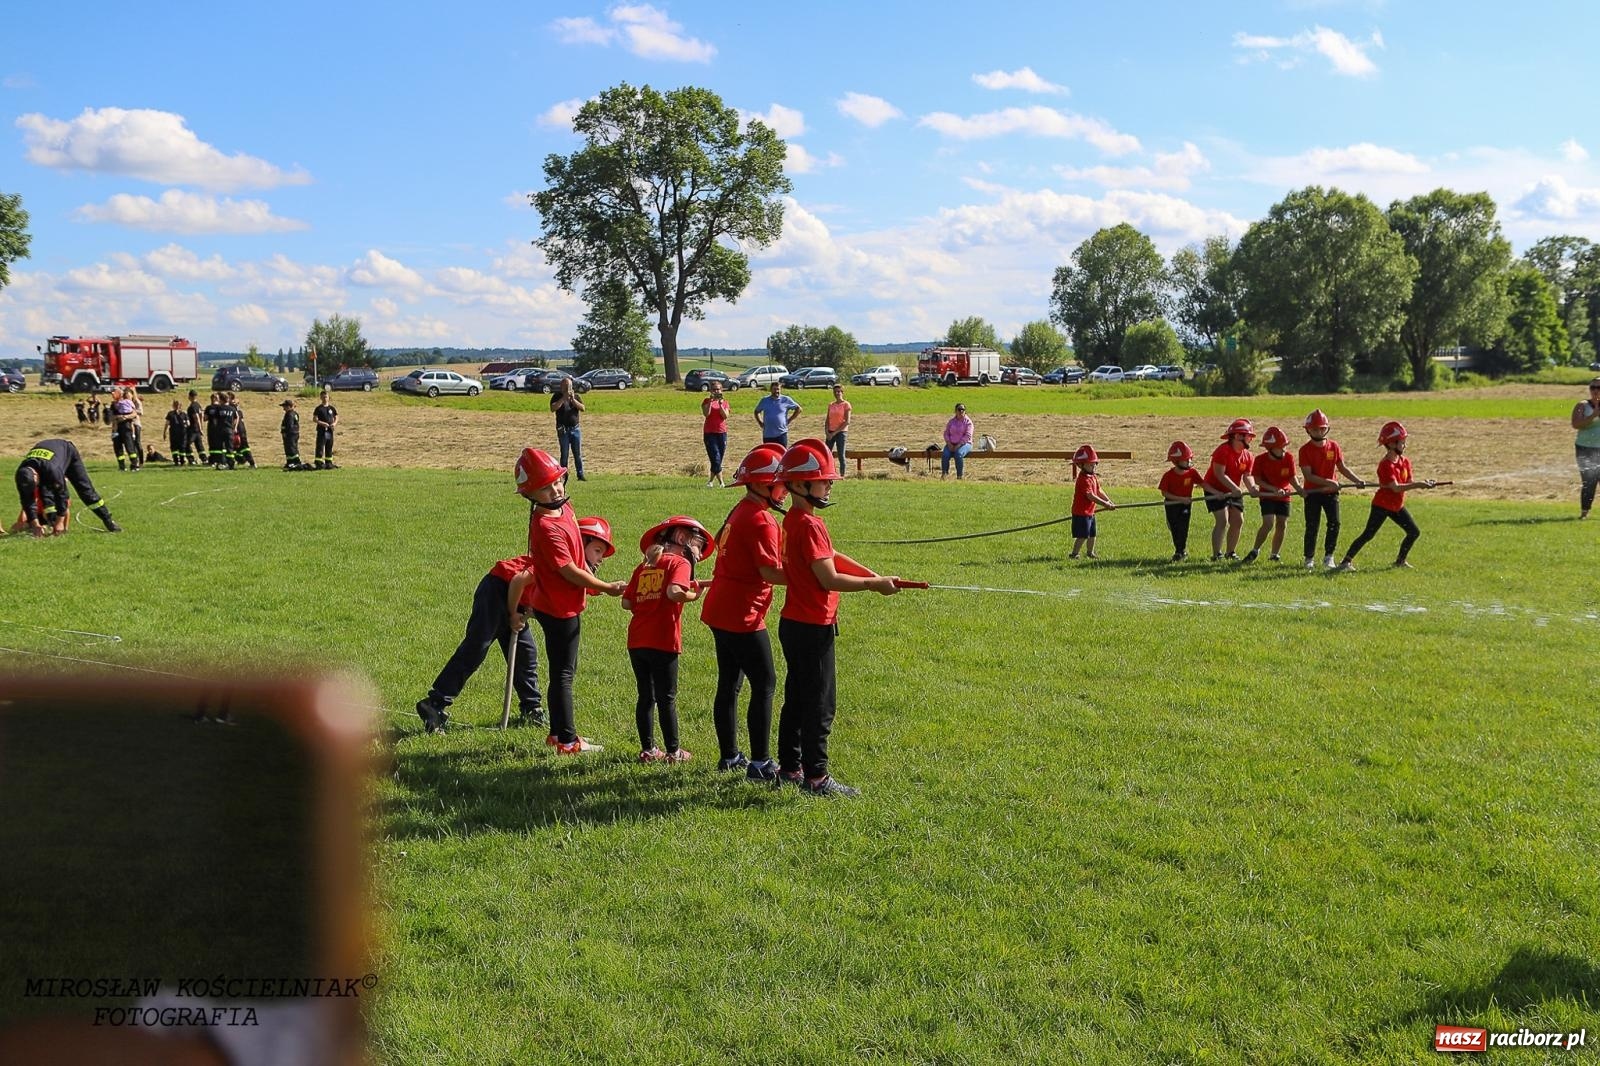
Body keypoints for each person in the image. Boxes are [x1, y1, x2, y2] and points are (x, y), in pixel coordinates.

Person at [774, 438, 899, 797]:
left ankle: (790, 768)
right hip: (813, 626)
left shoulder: (796, 520)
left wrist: (872, 574)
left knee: (797, 698)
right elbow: (828, 577)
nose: (829, 483)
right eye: (823, 478)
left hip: (794, 623)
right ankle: (816, 777)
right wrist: (873, 586)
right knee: (820, 704)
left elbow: (829, 556)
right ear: (799, 485)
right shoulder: (810, 525)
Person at [516, 447, 624, 753]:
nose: (555, 490)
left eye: (557, 482)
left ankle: (557, 734)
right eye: (545, 487)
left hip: (564, 603)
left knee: (564, 670)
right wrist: (604, 586)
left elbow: (575, 543)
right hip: (557, 608)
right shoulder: (545, 525)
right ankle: (566, 740)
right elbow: (570, 571)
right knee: (563, 673)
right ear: (530, 494)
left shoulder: (563, 507)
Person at [700, 443, 788, 778]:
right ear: (763, 484)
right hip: (742, 615)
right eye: (781, 483)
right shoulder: (762, 520)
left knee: (730, 684)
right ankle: (761, 762)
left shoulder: (740, 509)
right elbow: (769, 572)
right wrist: (810, 577)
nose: (784, 490)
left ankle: (729, 757)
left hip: (720, 609)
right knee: (765, 682)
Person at [414, 554, 544, 735]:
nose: (599, 559)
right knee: (476, 647)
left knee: (525, 652)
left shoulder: (575, 573)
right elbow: (518, 580)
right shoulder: (560, 561)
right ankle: (434, 704)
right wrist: (513, 613)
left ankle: (532, 709)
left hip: (517, 598)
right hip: (498, 589)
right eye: (596, 550)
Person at [622, 516, 713, 764]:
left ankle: (648, 750)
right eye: (699, 546)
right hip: (663, 639)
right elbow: (674, 592)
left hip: (637, 640)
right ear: (683, 539)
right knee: (667, 698)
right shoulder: (679, 563)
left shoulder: (645, 566)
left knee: (645, 696)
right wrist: (694, 594)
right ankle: (674, 752)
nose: (699, 554)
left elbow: (626, 602)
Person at [1337, 421, 1436, 571]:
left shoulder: (1404, 462)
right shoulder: (1386, 465)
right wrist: (1419, 485)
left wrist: (1425, 483)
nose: (1405, 445)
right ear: (1391, 444)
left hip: (1397, 506)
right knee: (1368, 534)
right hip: (1382, 505)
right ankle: (1345, 562)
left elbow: (1408, 482)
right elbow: (1395, 488)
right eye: (1402, 442)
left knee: (1414, 532)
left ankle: (1400, 561)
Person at [1298, 409, 1365, 570]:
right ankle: (1309, 558)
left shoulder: (1334, 446)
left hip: (1331, 493)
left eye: (1322, 428)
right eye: (1315, 429)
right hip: (1313, 493)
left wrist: (1357, 480)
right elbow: (1308, 476)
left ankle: (1329, 556)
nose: (1319, 431)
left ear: (1326, 429)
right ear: (1308, 430)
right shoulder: (1304, 450)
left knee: (1334, 523)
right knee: (1312, 525)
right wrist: (1328, 481)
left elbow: (1342, 468)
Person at [13, 439, 120, 535]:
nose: (36, 486)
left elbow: (62, 495)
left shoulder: (52, 470)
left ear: (35, 476)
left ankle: (108, 521)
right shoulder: (21, 474)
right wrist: (35, 525)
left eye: (35, 484)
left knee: (86, 491)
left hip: (68, 452)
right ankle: (51, 524)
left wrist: (60, 522)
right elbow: (27, 501)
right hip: (48, 461)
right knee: (46, 497)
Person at [1242, 426, 1300, 564]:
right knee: (1268, 523)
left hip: (1284, 496)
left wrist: (1299, 488)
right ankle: (1255, 550)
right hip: (1267, 495)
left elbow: (1292, 477)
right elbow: (1257, 479)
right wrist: (1273, 490)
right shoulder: (1260, 460)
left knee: (1282, 524)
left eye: (1284, 445)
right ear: (1270, 448)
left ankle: (1275, 554)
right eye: (1280, 446)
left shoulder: (1289, 458)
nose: (1283, 449)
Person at [1204, 418, 1258, 560]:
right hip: (1215, 489)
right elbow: (1219, 474)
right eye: (1248, 436)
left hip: (1233, 490)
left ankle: (1230, 552)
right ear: (1237, 436)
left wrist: (1252, 488)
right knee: (1222, 520)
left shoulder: (1248, 456)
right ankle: (1216, 555)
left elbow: (1247, 475)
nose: (1250, 439)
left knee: (1238, 520)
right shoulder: (1222, 451)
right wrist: (1234, 488)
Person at [1158, 441, 1206, 561]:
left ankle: (1181, 551)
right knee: (1175, 528)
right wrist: (1181, 499)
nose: (1189, 461)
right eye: (1186, 459)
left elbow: (1203, 484)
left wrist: (1217, 493)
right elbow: (1164, 493)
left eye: (1190, 459)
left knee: (1183, 527)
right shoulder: (1168, 476)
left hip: (1185, 505)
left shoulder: (1192, 473)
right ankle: (1179, 550)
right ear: (1177, 461)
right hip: (1171, 505)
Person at [1068, 444, 1116, 560]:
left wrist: (1108, 500)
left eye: (1094, 464)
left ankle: (1090, 552)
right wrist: (1105, 504)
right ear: (1081, 465)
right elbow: (1090, 496)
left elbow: (1098, 490)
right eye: (1090, 464)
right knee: (1083, 535)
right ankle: (1074, 554)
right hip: (1081, 512)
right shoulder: (1083, 480)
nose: (1093, 466)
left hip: (1090, 512)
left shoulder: (1092, 477)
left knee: (1092, 534)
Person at [1572, 377, 1600, 518]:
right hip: (1585, 448)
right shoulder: (1582, 405)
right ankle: (1584, 513)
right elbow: (1576, 424)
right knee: (1589, 481)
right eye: (1593, 387)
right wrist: (1593, 416)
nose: (1595, 390)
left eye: (1598, 388)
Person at [550, 377, 586, 481]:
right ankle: (564, 475)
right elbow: (553, 408)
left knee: (577, 454)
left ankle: (580, 475)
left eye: (569, 386)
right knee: (564, 454)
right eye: (565, 387)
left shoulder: (576, 396)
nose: (567, 389)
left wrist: (573, 400)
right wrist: (563, 399)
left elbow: (583, 408)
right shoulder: (557, 396)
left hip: (575, 429)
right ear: (561, 387)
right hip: (563, 430)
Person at [700, 381, 731, 487]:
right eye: (714, 389)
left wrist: (720, 404)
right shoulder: (706, 401)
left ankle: (710, 481)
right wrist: (710, 402)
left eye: (718, 389)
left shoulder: (725, 402)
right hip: (709, 433)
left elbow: (725, 416)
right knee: (715, 457)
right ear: (710, 391)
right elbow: (706, 414)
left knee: (718, 458)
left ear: (721, 390)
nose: (716, 391)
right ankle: (721, 482)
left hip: (722, 433)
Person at [753, 381, 800, 448]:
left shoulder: (786, 399)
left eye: (778, 389)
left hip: (781, 434)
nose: (776, 391)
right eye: (774, 389)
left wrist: (789, 420)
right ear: (771, 390)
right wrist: (760, 422)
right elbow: (756, 411)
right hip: (768, 435)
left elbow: (798, 409)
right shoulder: (764, 400)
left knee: (782, 455)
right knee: (769, 455)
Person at [109, 388, 141, 472]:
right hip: (116, 428)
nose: (113, 395)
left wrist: (124, 417)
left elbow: (134, 414)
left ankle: (134, 465)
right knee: (118, 449)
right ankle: (122, 466)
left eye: (114, 393)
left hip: (126, 427)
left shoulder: (127, 402)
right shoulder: (113, 405)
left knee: (130, 447)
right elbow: (111, 418)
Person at [941, 402, 974, 480]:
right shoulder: (951, 422)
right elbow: (946, 433)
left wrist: (958, 445)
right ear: (955, 411)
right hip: (951, 443)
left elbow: (968, 436)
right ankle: (944, 475)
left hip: (965, 444)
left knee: (958, 454)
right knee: (945, 455)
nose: (961, 411)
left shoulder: (968, 422)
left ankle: (959, 476)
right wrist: (949, 443)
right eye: (959, 409)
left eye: (963, 409)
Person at [824, 383, 851, 474]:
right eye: (835, 392)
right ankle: (828, 472)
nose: (837, 393)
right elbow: (827, 419)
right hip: (830, 431)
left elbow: (847, 421)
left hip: (841, 432)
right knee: (827, 453)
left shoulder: (846, 405)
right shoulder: (831, 405)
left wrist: (834, 433)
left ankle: (842, 474)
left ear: (842, 392)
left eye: (839, 392)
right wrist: (827, 432)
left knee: (841, 454)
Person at [313, 389, 339, 470]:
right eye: (323, 397)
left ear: (329, 398)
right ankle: (318, 463)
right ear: (321, 398)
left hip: (330, 431)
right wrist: (322, 423)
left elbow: (336, 417)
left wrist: (334, 423)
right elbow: (315, 419)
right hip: (322, 431)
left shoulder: (332, 408)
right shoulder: (319, 408)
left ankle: (329, 463)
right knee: (320, 446)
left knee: (329, 446)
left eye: (326, 397)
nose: (325, 398)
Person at [229, 393, 256, 469]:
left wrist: (234, 429)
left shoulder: (232, 409)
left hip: (238, 431)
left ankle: (252, 463)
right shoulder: (238, 410)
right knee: (238, 448)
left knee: (244, 447)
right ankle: (241, 460)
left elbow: (234, 420)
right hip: (241, 431)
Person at [280, 399, 308, 470]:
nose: (283, 408)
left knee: (291, 448)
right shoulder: (295, 413)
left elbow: (289, 425)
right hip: (294, 434)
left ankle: (295, 462)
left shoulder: (289, 414)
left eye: (285, 406)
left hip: (290, 435)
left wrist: (285, 432)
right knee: (291, 448)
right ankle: (289, 462)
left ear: (289, 406)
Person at [163, 400, 189, 465]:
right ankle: (176, 461)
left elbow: (188, 423)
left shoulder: (184, 414)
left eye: (179, 405)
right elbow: (167, 423)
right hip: (173, 433)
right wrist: (164, 432)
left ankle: (182, 460)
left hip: (182, 434)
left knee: (182, 447)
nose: (177, 406)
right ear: (173, 406)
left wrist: (184, 424)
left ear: (181, 406)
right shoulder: (170, 414)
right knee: (174, 447)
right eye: (176, 405)